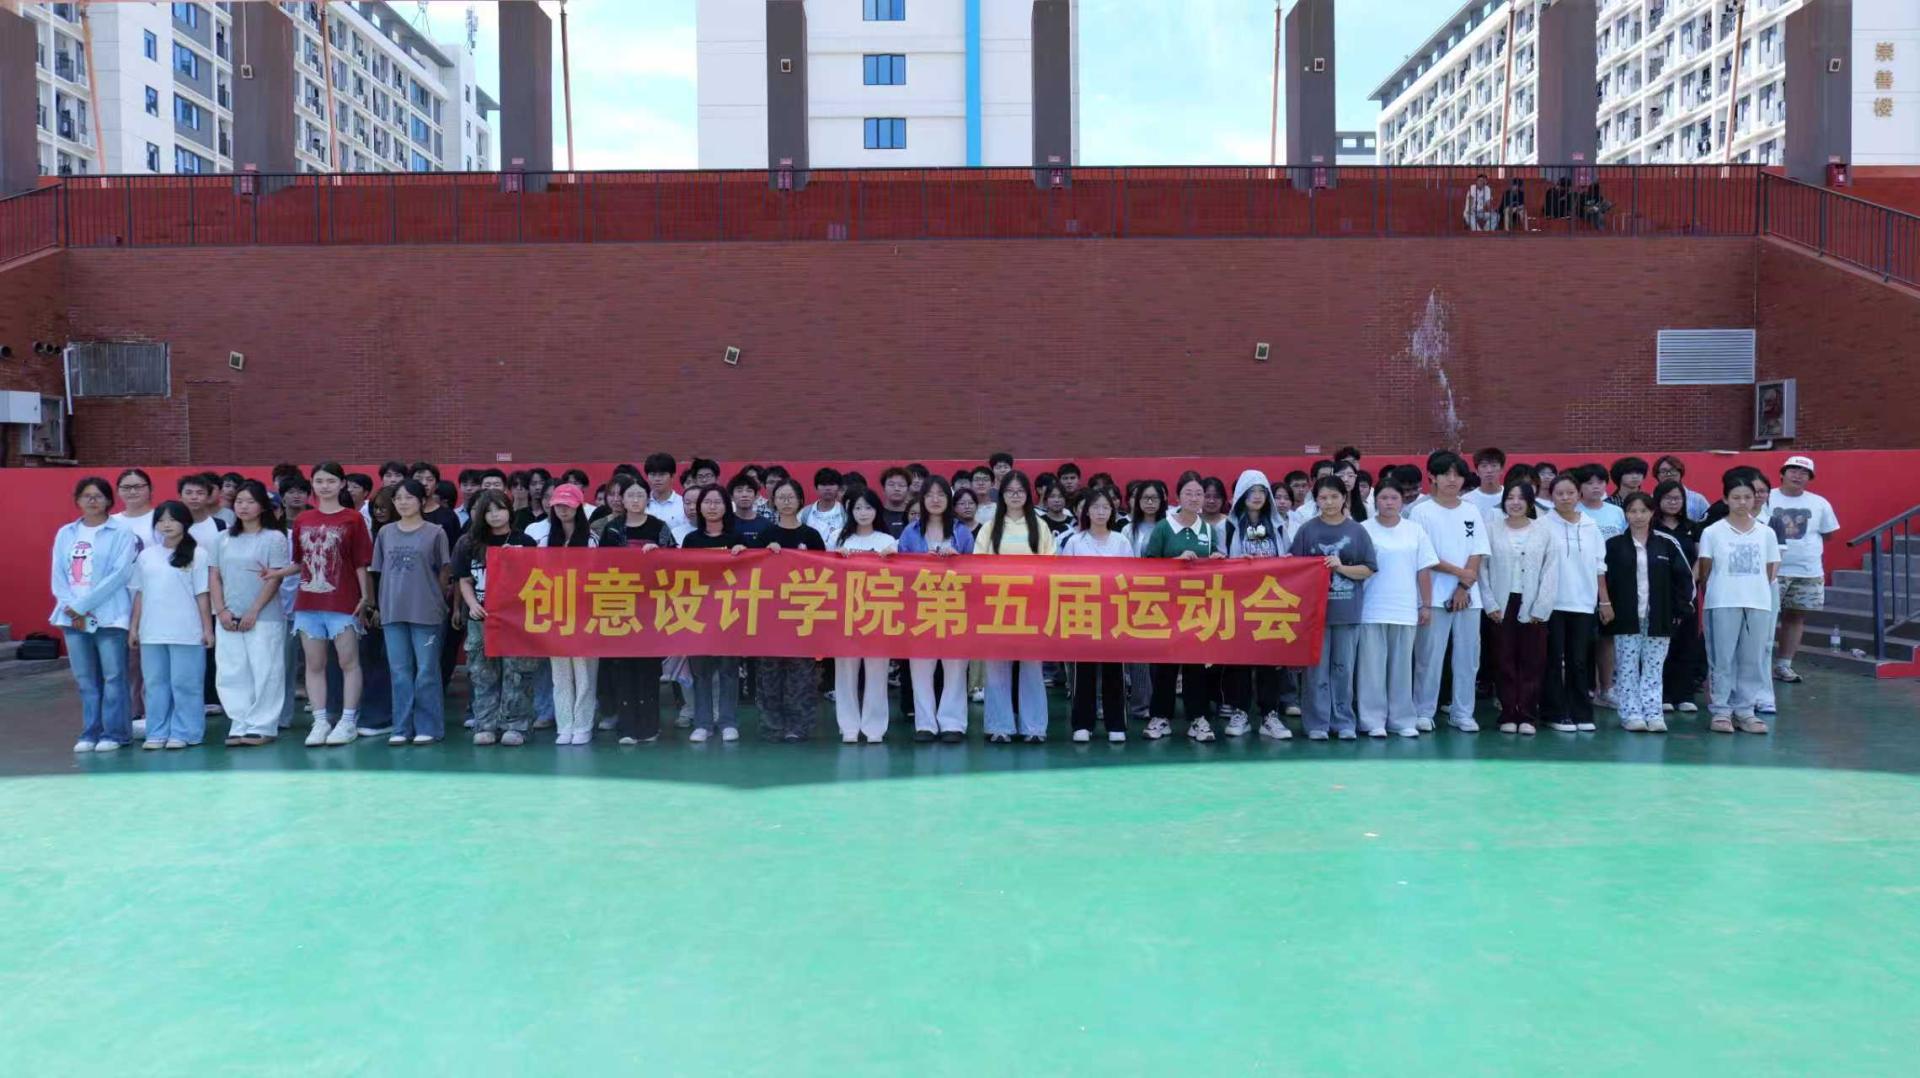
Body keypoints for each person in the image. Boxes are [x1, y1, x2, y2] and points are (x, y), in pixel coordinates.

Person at [1407, 452, 1492, 733]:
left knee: (1468, 658)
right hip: (1433, 596)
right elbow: (1425, 555)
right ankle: (1423, 711)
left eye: (1457, 474)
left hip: (1468, 598)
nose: (1452, 480)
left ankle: (1463, 712)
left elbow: (1478, 550)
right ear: (1432, 476)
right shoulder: (1420, 511)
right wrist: (1460, 574)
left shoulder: (1471, 510)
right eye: (1445, 474)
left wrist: (1464, 586)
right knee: (1429, 657)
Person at [53, 476, 140, 752]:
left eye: (98, 496)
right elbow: (58, 575)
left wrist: (83, 605)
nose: (92, 500)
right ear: (77, 500)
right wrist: (71, 606)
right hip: (71, 617)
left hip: (109, 615)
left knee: (114, 677)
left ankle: (115, 734)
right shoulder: (66, 533)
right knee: (85, 679)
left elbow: (120, 574)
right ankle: (90, 732)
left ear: (109, 500)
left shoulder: (121, 532)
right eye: (86, 496)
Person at [292, 462, 375, 747]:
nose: (324, 486)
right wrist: (276, 574)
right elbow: (299, 561)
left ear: (341, 484)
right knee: (314, 664)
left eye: (330, 481)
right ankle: (320, 721)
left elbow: (361, 562)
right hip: (308, 603)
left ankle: (348, 720)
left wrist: (365, 597)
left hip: (343, 602)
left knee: (348, 662)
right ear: (312, 485)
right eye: (319, 481)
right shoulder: (303, 519)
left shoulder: (353, 519)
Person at [209, 480, 295, 746]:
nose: (243, 507)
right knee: (231, 670)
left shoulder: (274, 538)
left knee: (266, 669)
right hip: (228, 617)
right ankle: (239, 722)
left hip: (264, 617)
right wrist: (221, 610)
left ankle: (263, 725)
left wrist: (254, 610)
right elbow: (214, 575)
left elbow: (275, 577)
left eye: (250, 502)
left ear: (262, 506)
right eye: (239, 501)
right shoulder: (222, 538)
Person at [1290, 476, 1376, 740]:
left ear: (1344, 498)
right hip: (1315, 615)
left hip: (1347, 612)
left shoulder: (1357, 531)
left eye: (1334, 497)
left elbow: (1368, 569)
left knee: (1343, 669)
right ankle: (1317, 723)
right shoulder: (1307, 530)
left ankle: (1344, 721)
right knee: (1316, 671)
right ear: (1315, 500)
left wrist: (1340, 568)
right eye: (1323, 497)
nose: (1328, 502)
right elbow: (1293, 569)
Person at [1602, 493, 1695, 733]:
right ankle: (1631, 714)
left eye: (1643, 511)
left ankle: (1653, 713)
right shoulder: (1614, 545)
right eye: (1633, 511)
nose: (1638, 516)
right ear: (1625, 514)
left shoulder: (1666, 543)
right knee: (1627, 666)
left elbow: (1684, 579)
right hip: (1626, 617)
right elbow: (1604, 579)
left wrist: (1679, 609)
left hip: (1659, 617)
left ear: (1652, 512)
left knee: (1654, 667)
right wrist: (1605, 606)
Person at [1698, 476, 1782, 734]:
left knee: (1753, 659)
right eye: (1736, 497)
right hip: (1722, 602)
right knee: (1722, 659)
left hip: (1758, 603)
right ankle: (1721, 711)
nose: (1742, 502)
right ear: (1726, 499)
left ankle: (1745, 710)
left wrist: (1753, 589)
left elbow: (1770, 570)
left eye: (1747, 497)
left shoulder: (1766, 533)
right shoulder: (1712, 532)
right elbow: (1705, 569)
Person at [453, 491, 539, 746]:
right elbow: (464, 581)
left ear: (509, 511)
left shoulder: (525, 541)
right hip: (481, 618)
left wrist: (517, 560)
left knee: (518, 673)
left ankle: (516, 726)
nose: (494, 515)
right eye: (488, 511)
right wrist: (471, 605)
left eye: (499, 509)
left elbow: (536, 579)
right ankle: (485, 724)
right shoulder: (469, 543)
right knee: (483, 673)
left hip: (516, 619)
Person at [1142, 473, 1223, 741]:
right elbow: (1148, 567)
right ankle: (1160, 717)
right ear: (1178, 497)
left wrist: (1217, 560)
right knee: (1165, 666)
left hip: (1198, 608)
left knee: (1196, 666)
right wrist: (1176, 561)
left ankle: (1198, 718)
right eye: (1189, 493)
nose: (1194, 498)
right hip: (1167, 608)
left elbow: (1218, 567)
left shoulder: (1209, 530)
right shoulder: (1164, 527)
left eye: (1199, 493)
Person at [976, 471, 1056, 744]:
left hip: (1031, 607)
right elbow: (977, 565)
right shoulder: (989, 528)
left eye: (1020, 491)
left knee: (1032, 668)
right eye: (1010, 491)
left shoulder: (1040, 526)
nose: (1015, 495)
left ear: (1028, 494)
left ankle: (1034, 727)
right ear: (1002, 495)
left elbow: (1051, 564)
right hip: (997, 607)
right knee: (997, 668)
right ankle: (999, 726)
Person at [370, 479, 451, 746]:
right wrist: (377, 605)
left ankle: (429, 727)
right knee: (399, 672)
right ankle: (401, 727)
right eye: (398, 498)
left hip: (426, 611)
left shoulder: (436, 532)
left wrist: (438, 601)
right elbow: (378, 571)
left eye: (409, 497)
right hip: (393, 611)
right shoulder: (385, 533)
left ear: (422, 501)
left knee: (426, 671)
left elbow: (444, 571)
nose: (403, 502)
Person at [748, 479, 829, 742]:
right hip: (770, 616)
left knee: (801, 676)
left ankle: (798, 727)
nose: (785, 502)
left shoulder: (811, 536)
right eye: (780, 497)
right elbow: (751, 571)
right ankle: (772, 727)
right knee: (769, 675)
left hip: (803, 614)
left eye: (790, 497)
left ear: (800, 501)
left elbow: (825, 573)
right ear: (773, 501)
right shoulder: (765, 535)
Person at [129, 501, 214, 750]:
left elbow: (202, 594)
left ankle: (186, 732)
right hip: (151, 631)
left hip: (187, 631)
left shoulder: (198, 554)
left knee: (185, 684)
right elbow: (140, 593)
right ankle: (156, 732)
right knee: (155, 684)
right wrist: (134, 627)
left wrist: (207, 629)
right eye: (161, 520)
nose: (166, 525)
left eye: (172, 519)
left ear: (184, 522)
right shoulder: (146, 556)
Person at [598, 481, 676, 743]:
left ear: (647, 499)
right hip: (620, 605)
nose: (634, 500)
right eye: (629, 495)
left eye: (640, 495)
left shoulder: (659, 527)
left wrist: (660, 554)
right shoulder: (612, 529)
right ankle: (628, 727)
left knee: (649, 668)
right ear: (621, 499)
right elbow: (599, 565)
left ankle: (650, 727)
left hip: (651, 608)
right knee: (623, 668)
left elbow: (677, 564)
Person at [1357, 482, 1438, 738]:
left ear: (1402, 501)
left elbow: (1423, 569)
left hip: (1404, 608)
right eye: (1384, 498)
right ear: (1375, 501)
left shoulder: (1415, 530)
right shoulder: (1363, 530)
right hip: (1372, 608)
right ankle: (1372, 720)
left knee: (1402, 668)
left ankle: (1402, 720)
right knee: (1372, 668)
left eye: (1394, 498)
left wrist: (1426, 604)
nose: (1389, 502)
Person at [899, 477, 975, 742]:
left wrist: (957, 560)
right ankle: (925, 724)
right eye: (929, 494)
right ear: (922, 499)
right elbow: (900, 571)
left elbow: (975, 571)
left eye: (941, 494)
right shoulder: (910, 532)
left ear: (949, 499)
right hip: (920, 607)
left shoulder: (961, 532)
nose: (935, 499)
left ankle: (953, 723)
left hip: (955, 607)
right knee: (921, 667)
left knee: (955, 667)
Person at [1479, 480, 1558, 734]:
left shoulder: (1544, 531)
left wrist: (1541, 607)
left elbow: (1551, 570)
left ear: (1530, 502)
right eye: (1510, 497)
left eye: (1521, 498)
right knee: (1503, 659)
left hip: (1532, 604)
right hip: (1501, 604)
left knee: (1532, 661)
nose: (1515, 502)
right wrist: (1490, 603)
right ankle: (1507, 714)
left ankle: (1526, 716)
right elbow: (1482, 569)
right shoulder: (1491, 529)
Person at [1540, 474, 1611, 733]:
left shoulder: (1591, 526)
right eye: (1559, 493)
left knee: (1579, 661)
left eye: (1570, 493)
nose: (1565, 498)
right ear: (1551, 496)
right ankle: (1554, 713)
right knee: (1552, 659)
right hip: (1552, 604)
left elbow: (1599, 567)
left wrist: (1604, 601)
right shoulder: (1543, 525)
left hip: (1583, 603)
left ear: (1579, 495)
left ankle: (1581, 712)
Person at [1060, 487, 1131, 743]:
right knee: (1083, 671)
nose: (1101, 512)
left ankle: (1116, 723)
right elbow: (1064, 578)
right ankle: (1082, 723)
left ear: (1112, 511)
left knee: (1114, 671)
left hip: (1113, 612)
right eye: (1095, 507)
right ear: (1086, 511)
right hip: (1083, 612)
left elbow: (1130, 578)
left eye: (1106, 507)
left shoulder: (1121, 541)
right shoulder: (1075, 542)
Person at [1224, 469, 1292, 739]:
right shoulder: (1228, 526)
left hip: (1269, 602)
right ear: (1242, 495)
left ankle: (1269, 715)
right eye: (1251, 491)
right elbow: (1220, 560)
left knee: (1269, 660)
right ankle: (1240, 712)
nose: (1256, 496)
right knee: (1239, 660)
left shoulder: (1278, 526)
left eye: (1262, 491)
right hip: (1238, 603)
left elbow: (1288, 557)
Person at [680, 485, 744, 743]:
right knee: (701, 672)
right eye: (708, 502)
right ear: (700, 507)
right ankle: (703, 723)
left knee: (729, 671)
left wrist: (743, 554)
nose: (713, 507)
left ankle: (728, 721)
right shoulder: (691, 540)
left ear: (726, 507)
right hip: (698, 613)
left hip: (729, 613)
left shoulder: (737, 539)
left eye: (718, 502)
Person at [1768, 455, 1840, 685]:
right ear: (1782, 473)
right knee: (1764, 618)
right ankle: (1758, 665)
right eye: (1793, 470)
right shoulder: (1767, 497)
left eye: (1804, 473)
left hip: (1808, 571)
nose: (1798, 475)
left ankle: (1784, 664)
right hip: (1772, 569)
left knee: (1795, 617)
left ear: (1809, 478)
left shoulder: (1819, 503)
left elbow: (1828, 533)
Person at [537, 484, 600, 745]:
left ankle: (583, 724)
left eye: (568, 505)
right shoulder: (545, 541)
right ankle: (565, 725)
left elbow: (596, 576)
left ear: (579, 507)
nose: (563, 510)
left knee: (585, 673)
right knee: (560, 674)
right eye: (558, 505)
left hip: (584, 614)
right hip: (556, 614)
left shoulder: (591, 539)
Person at [834, 490, 898, 744]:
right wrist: (837, 558)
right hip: (847, 615)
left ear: (876, 511)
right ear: (851, 512)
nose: (863, 513)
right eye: (858, 508)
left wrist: (891, 558)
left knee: (877, 672)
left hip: (878, 613)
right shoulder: (840, 539)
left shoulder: (887, 540)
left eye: (868, 508)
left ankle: (874, 728)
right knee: (845, 673)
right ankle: (848, 726)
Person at [1653, 481, 1705, 714]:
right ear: (1658, 500)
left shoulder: (1692, 528)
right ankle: (1662, 694)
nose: (1673, 502)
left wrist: (1689, 583)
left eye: (1677, 498)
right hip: (1659, 593)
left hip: (1687, 594)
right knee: (1661, 644)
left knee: (1686, 641)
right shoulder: (1651, 526)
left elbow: (1701, 558)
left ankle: (1684, 694)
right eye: (1668, 498)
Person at [800, 467, 846, 552]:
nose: (828, 488)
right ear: (816, 488)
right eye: (823, 484)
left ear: (839, 488)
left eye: (832, 484)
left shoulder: (845, 512)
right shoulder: (805, 513)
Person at [1654, 455, 1710, 522]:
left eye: (1673, 470)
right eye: (1663, 471)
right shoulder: (1651, 499)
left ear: (1680, 472)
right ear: (1657, 475)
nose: (1669, 474)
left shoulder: (1698, 500)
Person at [1465, 447, 1506, 516]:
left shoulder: (1510, 497)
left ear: (1502, 469)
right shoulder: (1467, 500)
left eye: (1494, 465)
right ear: (1477, 471)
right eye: (1484, 466)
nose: (1489, 470)